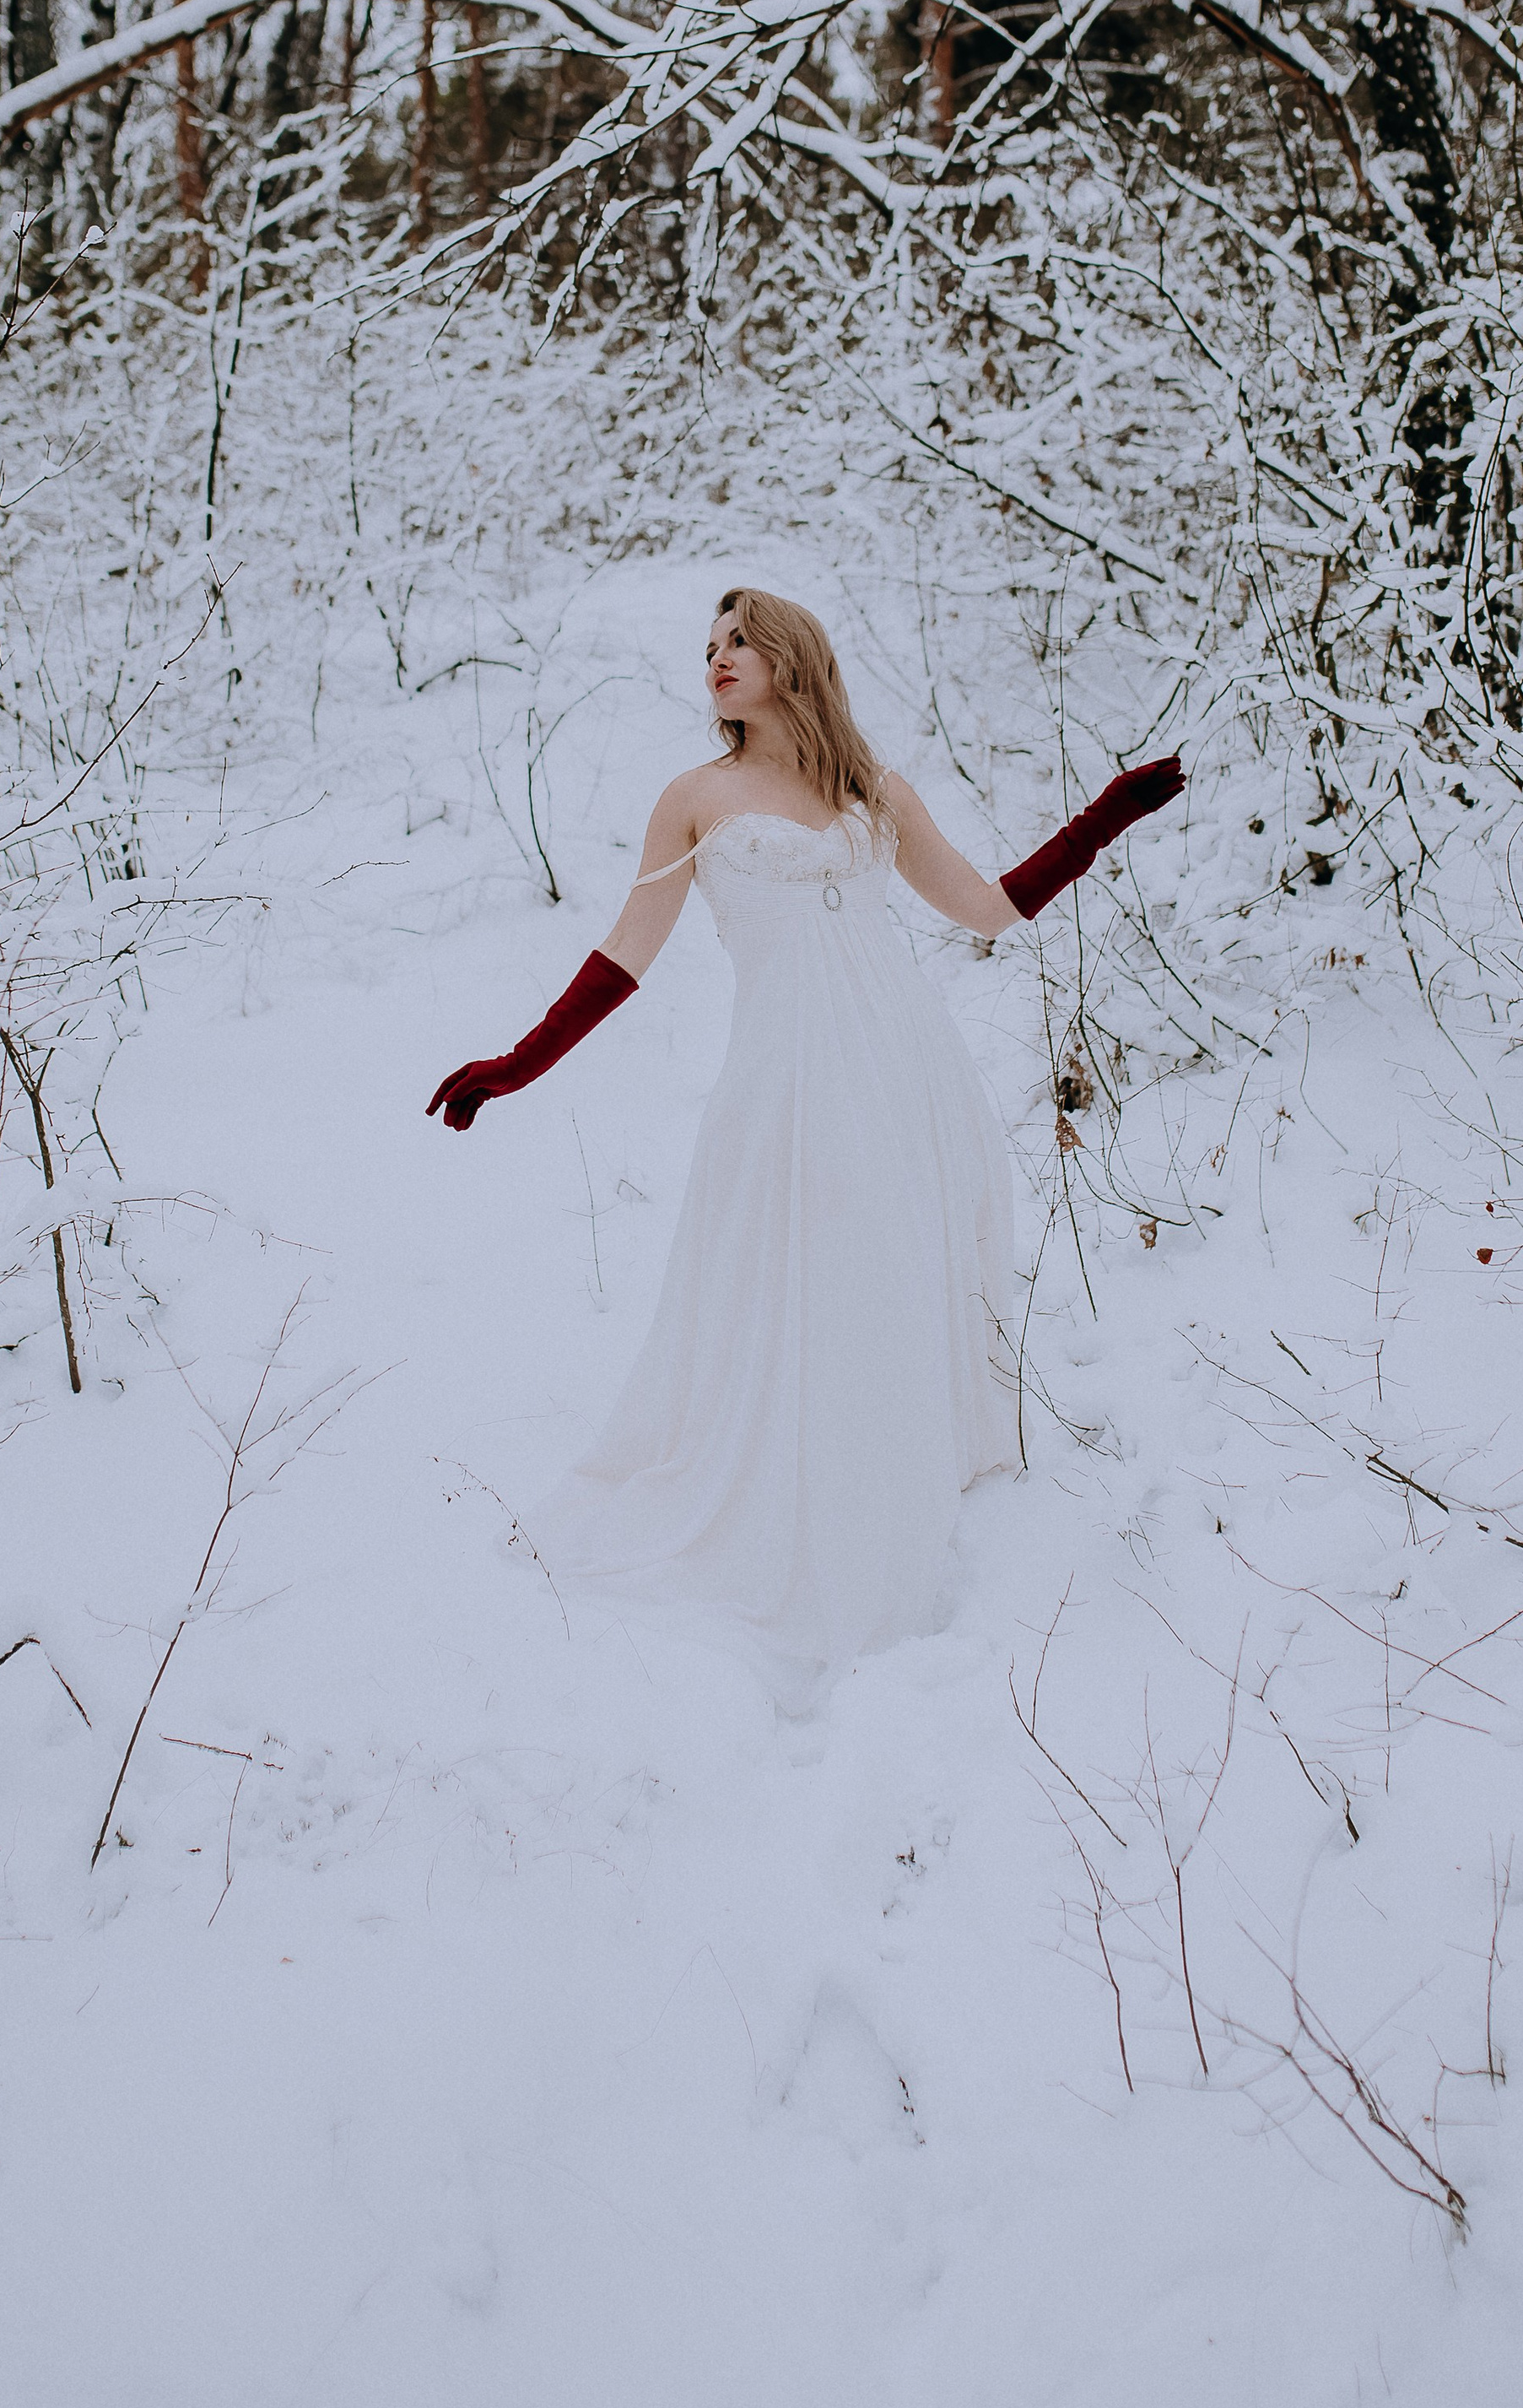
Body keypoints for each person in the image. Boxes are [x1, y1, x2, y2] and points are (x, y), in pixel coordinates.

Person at [428, 587, 1185, 1686]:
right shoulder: (694, 798)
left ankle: (903, 1470)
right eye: (709, 648)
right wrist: (516, 1064)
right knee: (809, 1277)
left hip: (911, 1069)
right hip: (790, 1079)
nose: (718, 660)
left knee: (895, 1272)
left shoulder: (872, 789)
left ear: (792, 656)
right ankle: (806, 1500)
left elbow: (987, 908)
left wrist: (1103, 818)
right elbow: (621, 960)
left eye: (738, 641)